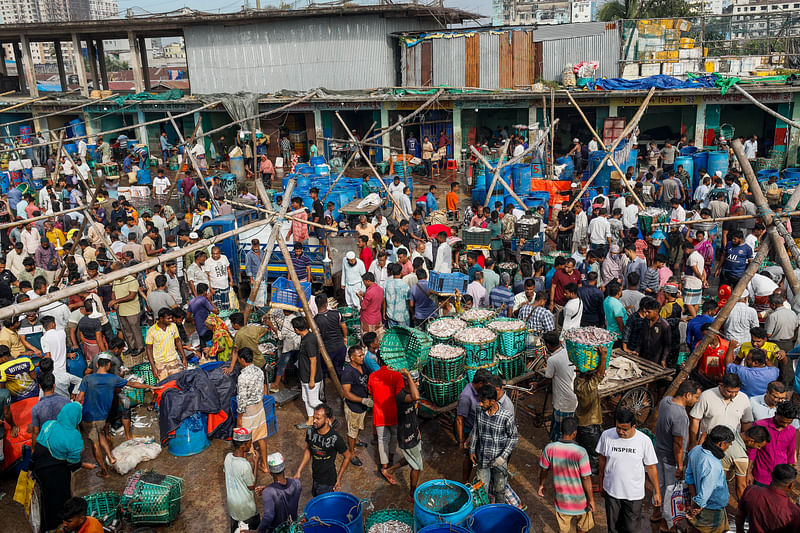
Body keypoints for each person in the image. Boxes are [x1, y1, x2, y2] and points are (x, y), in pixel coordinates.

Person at [689, 372, 754, 499]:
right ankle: (702, 503)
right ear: (721, 385)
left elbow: (746, 423)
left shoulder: (743, 398)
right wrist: (693, 443)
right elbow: (695, 419)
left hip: (731, 447)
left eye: (736, 392)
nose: (733, 395)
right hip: (709, 446)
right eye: (730, 392)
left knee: (724, 479)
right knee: (706, 477)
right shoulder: (707, 396)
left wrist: (745, 448)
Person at [596, 409, 661, 533]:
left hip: (633, 494)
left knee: (631, 529)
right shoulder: (606, 435)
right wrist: (601, 484)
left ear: (633, 427)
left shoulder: (644, 441)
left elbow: (651, 467)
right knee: (613, 528)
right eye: (618, 428)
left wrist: (657, 492)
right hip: (611, 491)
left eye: (625, 429)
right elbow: (602, 461)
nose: (621, 432)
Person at [654, 380, 702, 523]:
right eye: (696, 397)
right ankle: (667, 523)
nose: (697, 400)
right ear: (687, 395)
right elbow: (678, 445)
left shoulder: (666, 401)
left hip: (659, 453)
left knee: (660, 486)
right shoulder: (680, 415)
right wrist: (680, 466)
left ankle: (656, 513)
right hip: (671, 459)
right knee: (671, 490)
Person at [538, 416, 595, 533]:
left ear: (561, 429)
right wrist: (591, 499)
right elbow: (586, 477)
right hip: (581, 501)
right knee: (582, 528)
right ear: (575, 433)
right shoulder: (580, 452)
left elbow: (544, 470)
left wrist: (541, 485)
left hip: (562, 500)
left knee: (563, 530)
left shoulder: (550, 448)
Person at [470, 384, 518, 504]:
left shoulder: (506, 416)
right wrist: (471, 450)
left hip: (499, 461)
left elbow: (513, 437)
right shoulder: (479, 410)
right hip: (483, 458)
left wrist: (503, 457)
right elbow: (476, 430)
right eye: (480, 401)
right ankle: (484, 513)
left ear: (492, 401)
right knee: (482, 489)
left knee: (500, 489)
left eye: (483, 402)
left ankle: (500, 511)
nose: (481, 404)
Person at [684, 425, 735, 533]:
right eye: (728, 445)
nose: (727, 448)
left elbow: (689, 476)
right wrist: (696, 507)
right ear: (721, 444)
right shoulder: (712, 465)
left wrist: (693, 499)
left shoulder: (696, 449)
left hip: (700, 503)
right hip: (710, 507)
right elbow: (704, 494)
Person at [294, 403, 352, 496]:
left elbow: (348, 456)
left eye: (318, 418)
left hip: (328, 481)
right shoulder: (310, 431)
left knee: (324, 507)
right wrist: (299, 471)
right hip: (315, 477)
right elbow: (308, 449)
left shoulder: (335, 438)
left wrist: (339, 478)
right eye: (314, 417)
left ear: (327, 420)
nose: (314, 421)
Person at [369, 353, 404, 483]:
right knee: (394, 436)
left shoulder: (373, 376)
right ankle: (391, 457)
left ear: (378, 361)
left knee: (382, 440)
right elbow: (400, 395)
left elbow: (371, 392)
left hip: (379, 413)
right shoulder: (397, 375)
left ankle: (384, 466)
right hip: (394, 412)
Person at [575, 345, 608, 481]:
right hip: (590, 426)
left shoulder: (577, 382)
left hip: (581, 424)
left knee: (585, 453)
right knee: (594, 456)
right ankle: (591, 481)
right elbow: (600, 375)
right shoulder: (588, 387)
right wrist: (604, 357)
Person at [746, 401, 798, 487]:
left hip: (781, 477)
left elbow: (791, 454)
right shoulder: (760, 425)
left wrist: (790, 478)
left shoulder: (792, 430)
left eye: (788, 423)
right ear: (776, 414)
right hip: (761, 475)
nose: (785, 425)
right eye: (782, 422)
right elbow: (752, 452)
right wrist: (748, 473)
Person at [736, 463, 800, 533]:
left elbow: (740, 515)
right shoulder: (794, 512)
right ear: (791, 485)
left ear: (772, 476)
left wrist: (740, 531)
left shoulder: (750, 491)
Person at [236, 347, 269, 474]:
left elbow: (242, 399)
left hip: (247, 412)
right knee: (261, 437)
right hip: (259, 408)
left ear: (243, 360)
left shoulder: (242, 376)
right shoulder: (259, 371)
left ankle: (247, 470)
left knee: (244, 442)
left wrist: (239, 418)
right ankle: (265, 465)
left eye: (239, 359)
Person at [542, 330, 577, 442]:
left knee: (561, 431)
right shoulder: (567, 352)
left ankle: (557, 449)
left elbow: (547, 379)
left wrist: (537, 384)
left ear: (548, 345)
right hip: (572, 397)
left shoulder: (553, 360)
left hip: (563, 401)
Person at [340, 345, 372, 467]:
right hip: (353, 406)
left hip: (362, 404)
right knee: (352, 431)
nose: (363, 357)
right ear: (352, 358)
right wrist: (363, 400)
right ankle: (351, 453)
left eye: (363, 354)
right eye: (360, 355)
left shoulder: (362, 366)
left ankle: (357, 440)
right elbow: (347, 394)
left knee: (358, 426)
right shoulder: (348, 373)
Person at [224, 427, 260, 533]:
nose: (251, 445)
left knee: (235, 529)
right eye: (249, 443)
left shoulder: (228, 457)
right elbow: (252, 485)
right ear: (243, 446)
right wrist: (256, 463)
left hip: (233, 508)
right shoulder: (245, 465)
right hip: (246, 510)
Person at [255, 452, 302, 533]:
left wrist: (258, 531)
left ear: (270, 472)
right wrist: (268, 488)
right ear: (284, 468)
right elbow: (285, 489)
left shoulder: (268, 492)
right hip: (293, 528)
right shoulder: (297, 484)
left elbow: (268, 516)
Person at [292, 317, 322, 430]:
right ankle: (310, 420)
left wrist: (312, 379)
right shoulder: (306, 337)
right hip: (305, 375)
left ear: (296, 329)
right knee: (305, 398)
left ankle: (329, 417)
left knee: (314, 400)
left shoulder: (309, 341)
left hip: (311, 376)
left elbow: (313, 360)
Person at [145, 308, 187, 382]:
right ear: (161, 319)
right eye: (168, 318)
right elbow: (148, 349)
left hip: (173, 361)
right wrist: (153, 367)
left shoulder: (173, 326)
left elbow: (178, 341)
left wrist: (184, 357)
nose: (171, 320)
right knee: (163, 385)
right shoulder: (151, 331)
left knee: (177, 383)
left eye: (171, 318)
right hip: (160, 364)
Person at [313, 294, 347, 377]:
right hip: (340, 346)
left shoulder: (315, 320)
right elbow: (344, 326)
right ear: (326, 304)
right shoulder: (336, 313)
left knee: (323, 370)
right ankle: (342, 387)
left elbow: (316, 335)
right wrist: (345, 338)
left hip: (326, 349)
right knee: (339, 368)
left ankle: (324, 388)